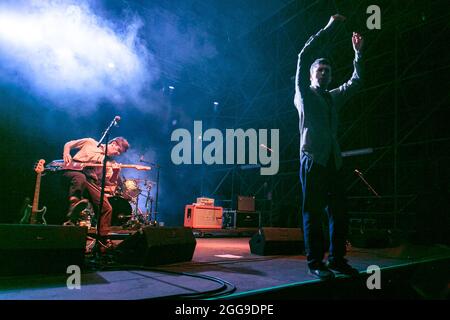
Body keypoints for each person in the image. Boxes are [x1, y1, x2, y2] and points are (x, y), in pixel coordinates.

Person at [294, 14, 364, 279]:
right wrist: (328, 28)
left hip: (333, 160)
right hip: (312, 159)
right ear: (312, 75)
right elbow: (303, 56)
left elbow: (356, 82)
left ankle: (337, 259)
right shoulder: (304, 94)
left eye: (328, 71)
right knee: (313, 213)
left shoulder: (333, 98)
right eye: (320, 70)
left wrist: (357, 54)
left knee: (339, 213)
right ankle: (315, 262)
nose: (324, 73)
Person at [62, 136, 130, 245]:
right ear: (113, 143)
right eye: (118, 150)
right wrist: (66, 153)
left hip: (90, 180)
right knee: (80, 178)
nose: (117, 154)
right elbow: (69, 144)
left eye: (120, 153)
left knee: (106, 207)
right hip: (73, 171)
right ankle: (74, 204)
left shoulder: (109, 163)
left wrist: (116, 172)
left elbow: (111, 182)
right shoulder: (90, 142)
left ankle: (102, 240)